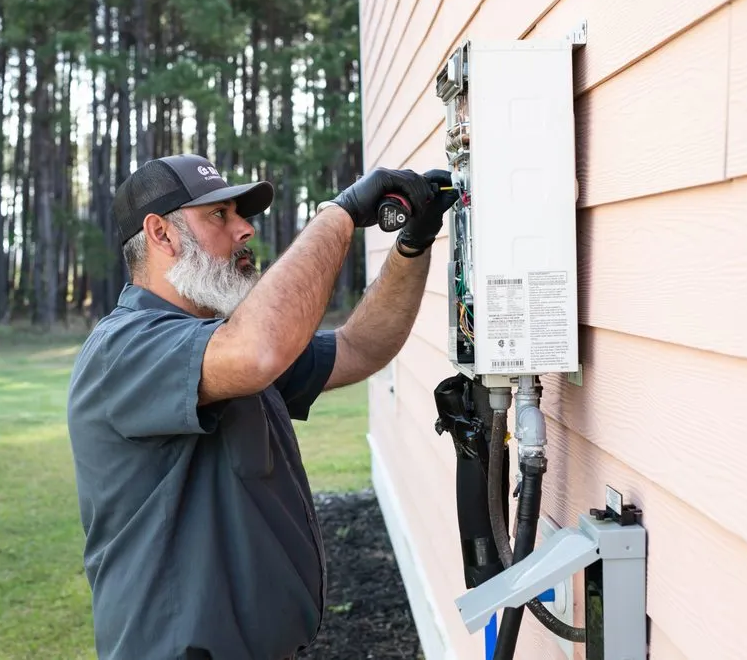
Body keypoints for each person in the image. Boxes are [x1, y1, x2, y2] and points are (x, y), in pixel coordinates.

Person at [66, 153, 457, 660]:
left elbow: (362, 347)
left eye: (239, 214)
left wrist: (412, 245)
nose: (245, 230)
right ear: (160, 234)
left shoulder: (215, 340)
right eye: (219, 216)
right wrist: (336, 215)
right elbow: (259, 351)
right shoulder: (125, 348)